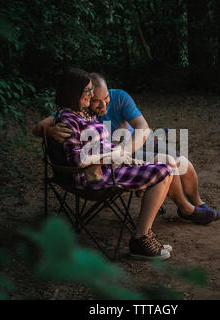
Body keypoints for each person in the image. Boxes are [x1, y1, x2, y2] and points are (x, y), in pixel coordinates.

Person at [33, 72, 220, 225]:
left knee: (182, 163)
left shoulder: (120, 97)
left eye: (106, 97)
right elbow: (40, 127)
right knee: (170, 163)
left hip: (133, 143)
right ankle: (187, 209)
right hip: (111, 154)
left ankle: (197, 202)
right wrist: (49, 131)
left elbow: (143, 128)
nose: (103, 104)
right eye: (95, 100)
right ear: (85, 97)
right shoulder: (78, 110)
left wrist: (123, 152)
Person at [51, 68, 174, 261]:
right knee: (165, 172)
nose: (92, 96)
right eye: (88, 91)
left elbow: (100, 146)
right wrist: (112, 155)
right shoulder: (68, 120)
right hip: (94, 177)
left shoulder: (82, 113)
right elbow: (78, 160)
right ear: (74, 93)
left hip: (110, 168)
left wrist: (124, 157)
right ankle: (140, 239)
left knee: (165, 166)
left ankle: (143, 235)